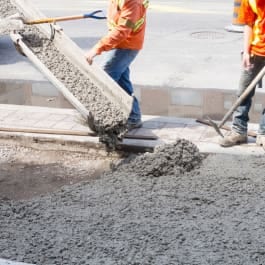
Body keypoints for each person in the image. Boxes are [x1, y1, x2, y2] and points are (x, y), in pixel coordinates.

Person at [85, 0, 148, 130]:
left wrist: (97, 48)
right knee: (121, 82)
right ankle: (134, 117)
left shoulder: (132, 2)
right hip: (121, 43)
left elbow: (122, 30)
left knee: (106, 78)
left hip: (127, 45)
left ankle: (105, 117)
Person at [220, 0, 265, 148]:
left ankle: (263, 134)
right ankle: (239, 131)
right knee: (243, 92)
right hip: (255, 51)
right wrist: (246, 51)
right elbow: (248, 23)